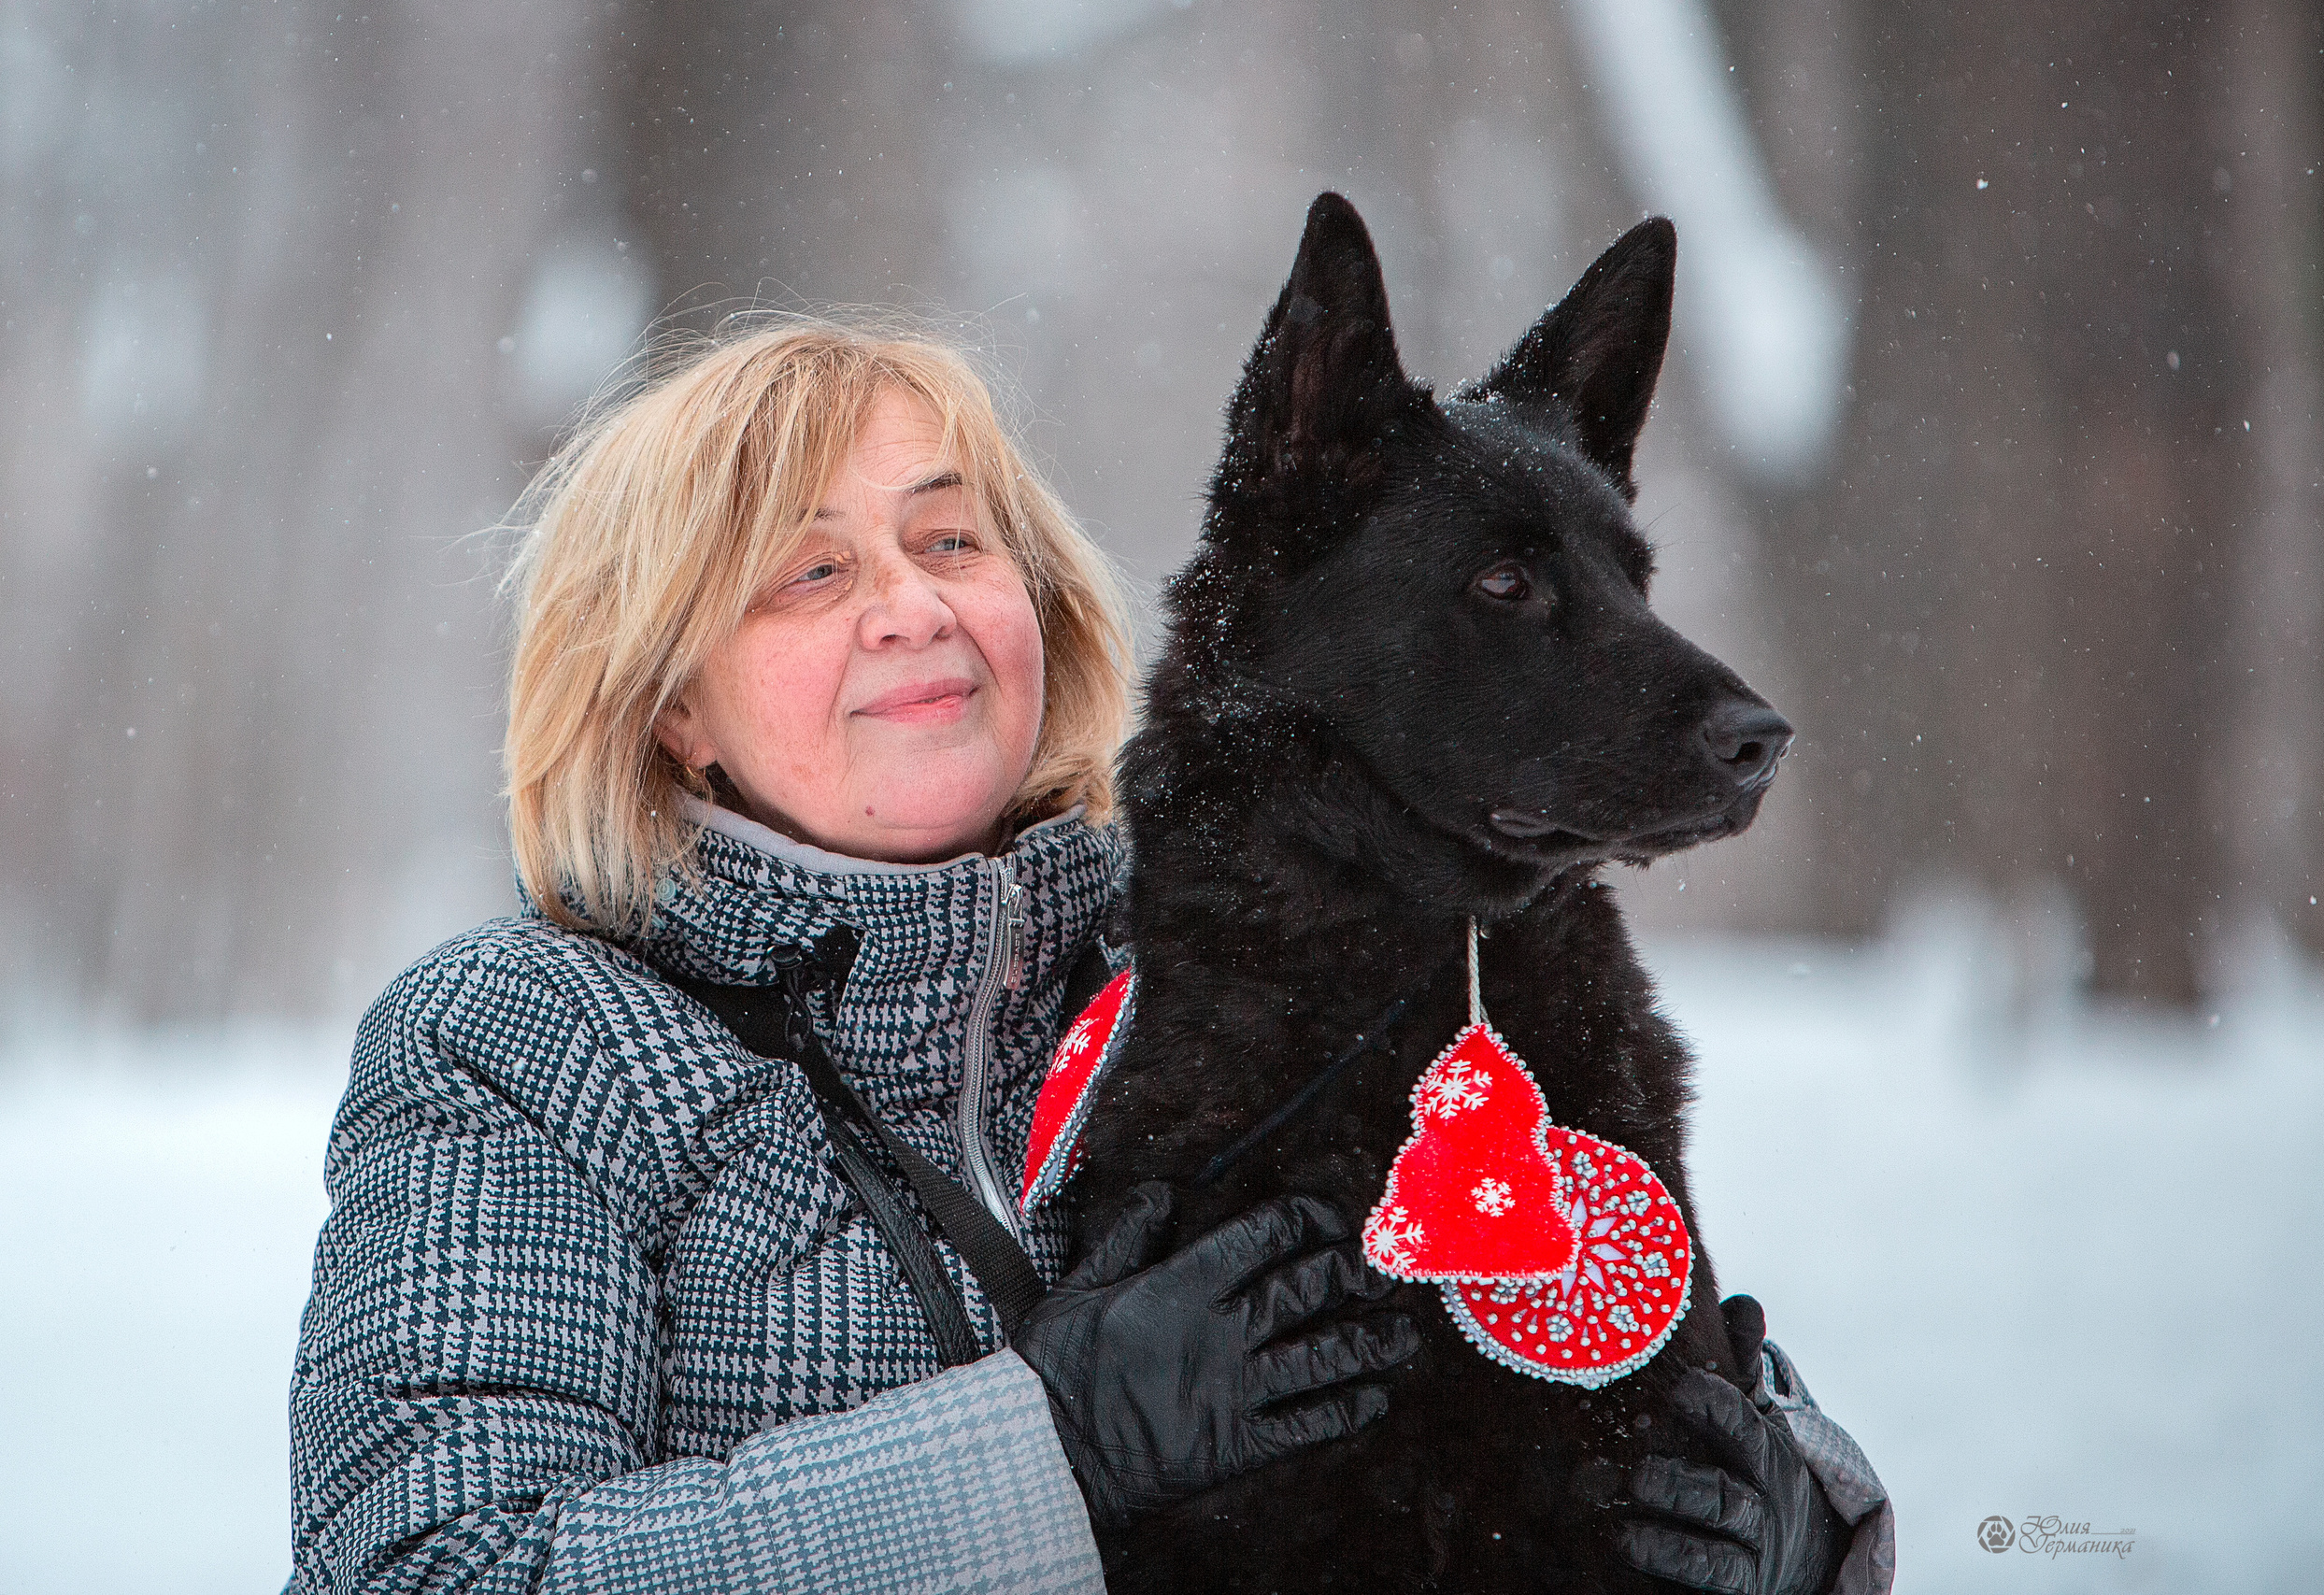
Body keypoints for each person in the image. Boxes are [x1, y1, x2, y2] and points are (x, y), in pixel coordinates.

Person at [285, 319, 1890, 1593]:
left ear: (1037, 610)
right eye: (814, 572)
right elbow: (433, 1571)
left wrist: (1797, 1525)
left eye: (952, 544)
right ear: (666, 706)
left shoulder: (1258, 945)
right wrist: (1042, 1445)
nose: (910, 605)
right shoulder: (521, 1038)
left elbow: (1565, 1369)